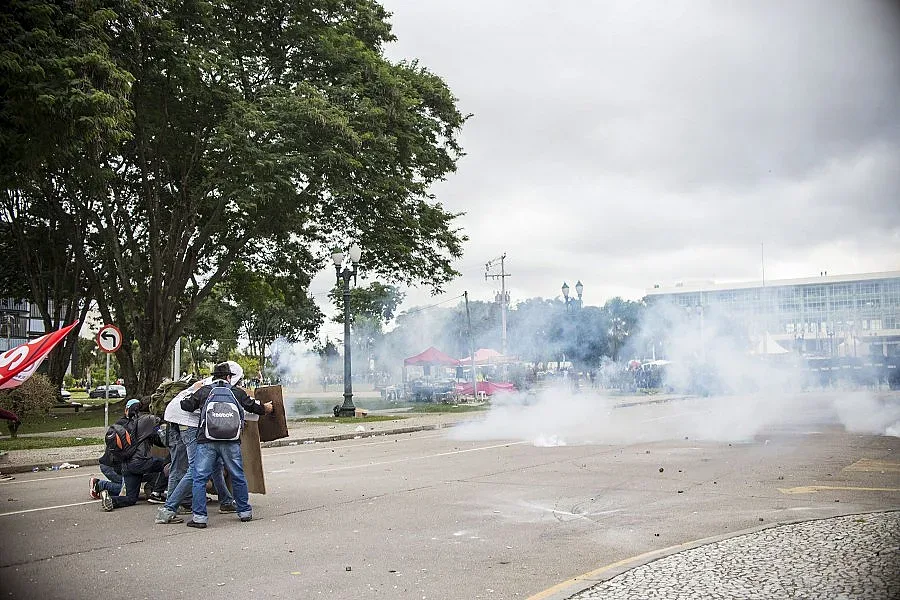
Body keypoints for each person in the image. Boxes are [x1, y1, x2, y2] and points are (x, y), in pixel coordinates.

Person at [168, 362, 271, 528]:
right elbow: (254, 406)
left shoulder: (205, 390)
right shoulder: (236, 391)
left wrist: (192, 393)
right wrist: (266, 408)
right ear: (229, 377)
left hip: (207, 441)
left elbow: (185, 405)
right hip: (231, 441)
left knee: (199, 478)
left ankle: (199, 518)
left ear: (213, 377)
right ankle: (244, 512)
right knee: (238, 475)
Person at [156, 369, 237, 522]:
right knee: (195, 468)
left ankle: (225, 501)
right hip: (188, 423)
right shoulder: (215, 389)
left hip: (176, 419)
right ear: (228, 378)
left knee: (211, 465)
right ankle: (169, 509)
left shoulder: (207, 384)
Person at [98, 399, 168, 511]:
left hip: (126, 465)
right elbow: (159, 436)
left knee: (130, 498)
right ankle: (157, 493)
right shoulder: (146, 421)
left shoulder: (122, 425)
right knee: (167, 464)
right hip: (141, 462)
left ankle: (110, 499)